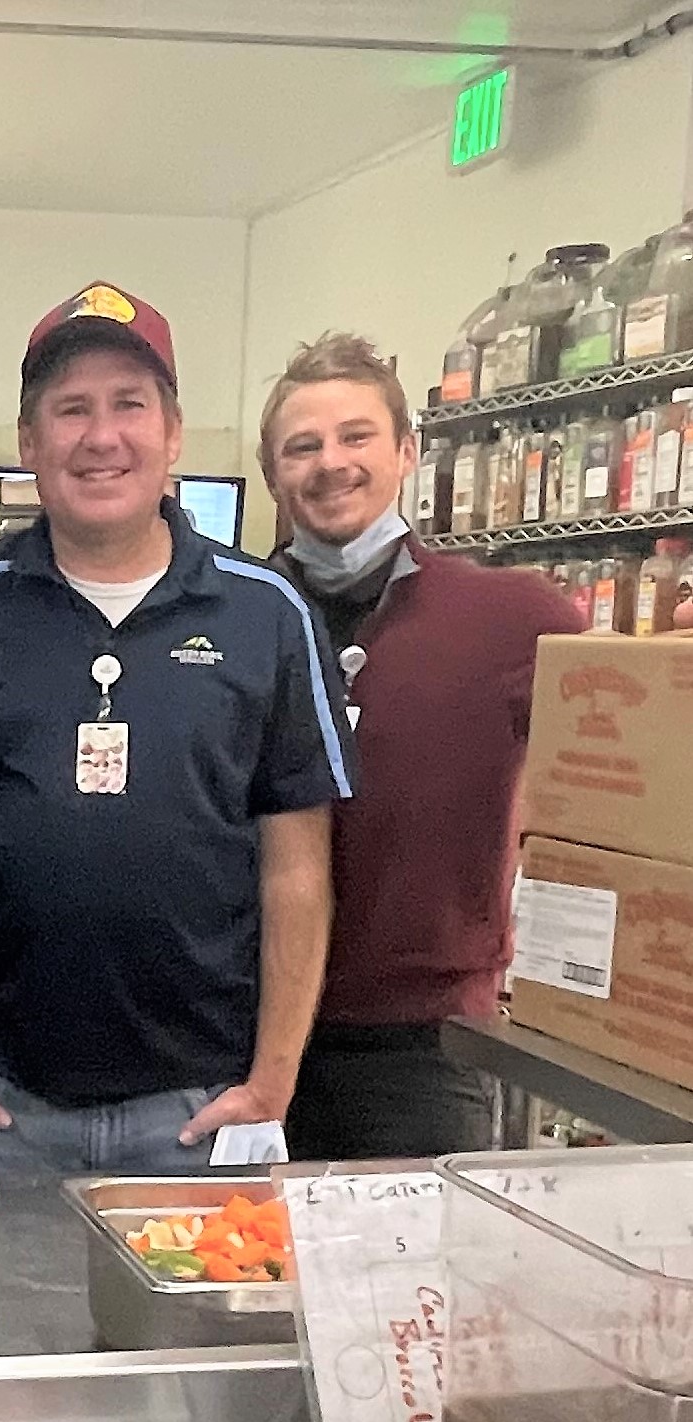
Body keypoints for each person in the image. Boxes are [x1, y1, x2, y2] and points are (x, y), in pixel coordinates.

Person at [0, 285, 354, 1177]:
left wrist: (274, 1077)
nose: (101, 437)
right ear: (28, 443)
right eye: (70, 409)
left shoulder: (269, 613)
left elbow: (297, 865)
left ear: (172, 433)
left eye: (128, 405)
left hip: (199, 1111)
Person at [261, 332, 582, 1160]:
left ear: (406, 451)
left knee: (412, 1288)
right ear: (273, 475)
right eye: (302, 446)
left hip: (421, 1048)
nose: (330, 463)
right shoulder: (231, 620)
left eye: (355, 436)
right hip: (240, 1033)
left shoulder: (512, 618)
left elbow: (625, 757)